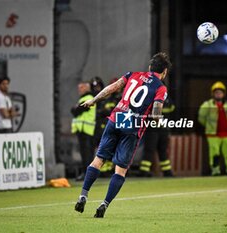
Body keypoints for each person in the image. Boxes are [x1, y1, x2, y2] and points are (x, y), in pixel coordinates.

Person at [74, 52, 172, 218]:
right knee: (120, 170)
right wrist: (159, 121)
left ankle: (83, 195)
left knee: (98, 160)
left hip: (117, 117)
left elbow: (112, 88)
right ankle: (104, 204)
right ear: (164, 72)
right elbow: (156, 115)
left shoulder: (132, 75)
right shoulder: (161, 88)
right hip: (133, 125)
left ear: (149, 67)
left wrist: (93, 100)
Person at [198, 81, 227, 176]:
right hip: (213, 134)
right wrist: (208, 127)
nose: (218, 94)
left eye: (220, 92)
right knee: (215, 154)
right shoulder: (207, 105)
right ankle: (215, 171)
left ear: (224, 94)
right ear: (213, 94)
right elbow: (201, 118)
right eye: (216, 92)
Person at [138, 95, 175, 177]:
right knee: (152, 150)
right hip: (154, 128)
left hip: (159, 128)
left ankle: (166, 171)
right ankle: (145, 171)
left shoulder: (155, 98)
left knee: (159, 150)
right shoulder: (166, 99)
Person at [71, 80, 96, 181]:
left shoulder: (88, 98)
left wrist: (75, 108)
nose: (79, 90)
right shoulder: (84, 98)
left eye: (81, 87)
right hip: (84, 129)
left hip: (85, 129)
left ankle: (87, 174)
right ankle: (87, 173)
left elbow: (76, 111)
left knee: (86, 153)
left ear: (87, 88)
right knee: (86, 153)